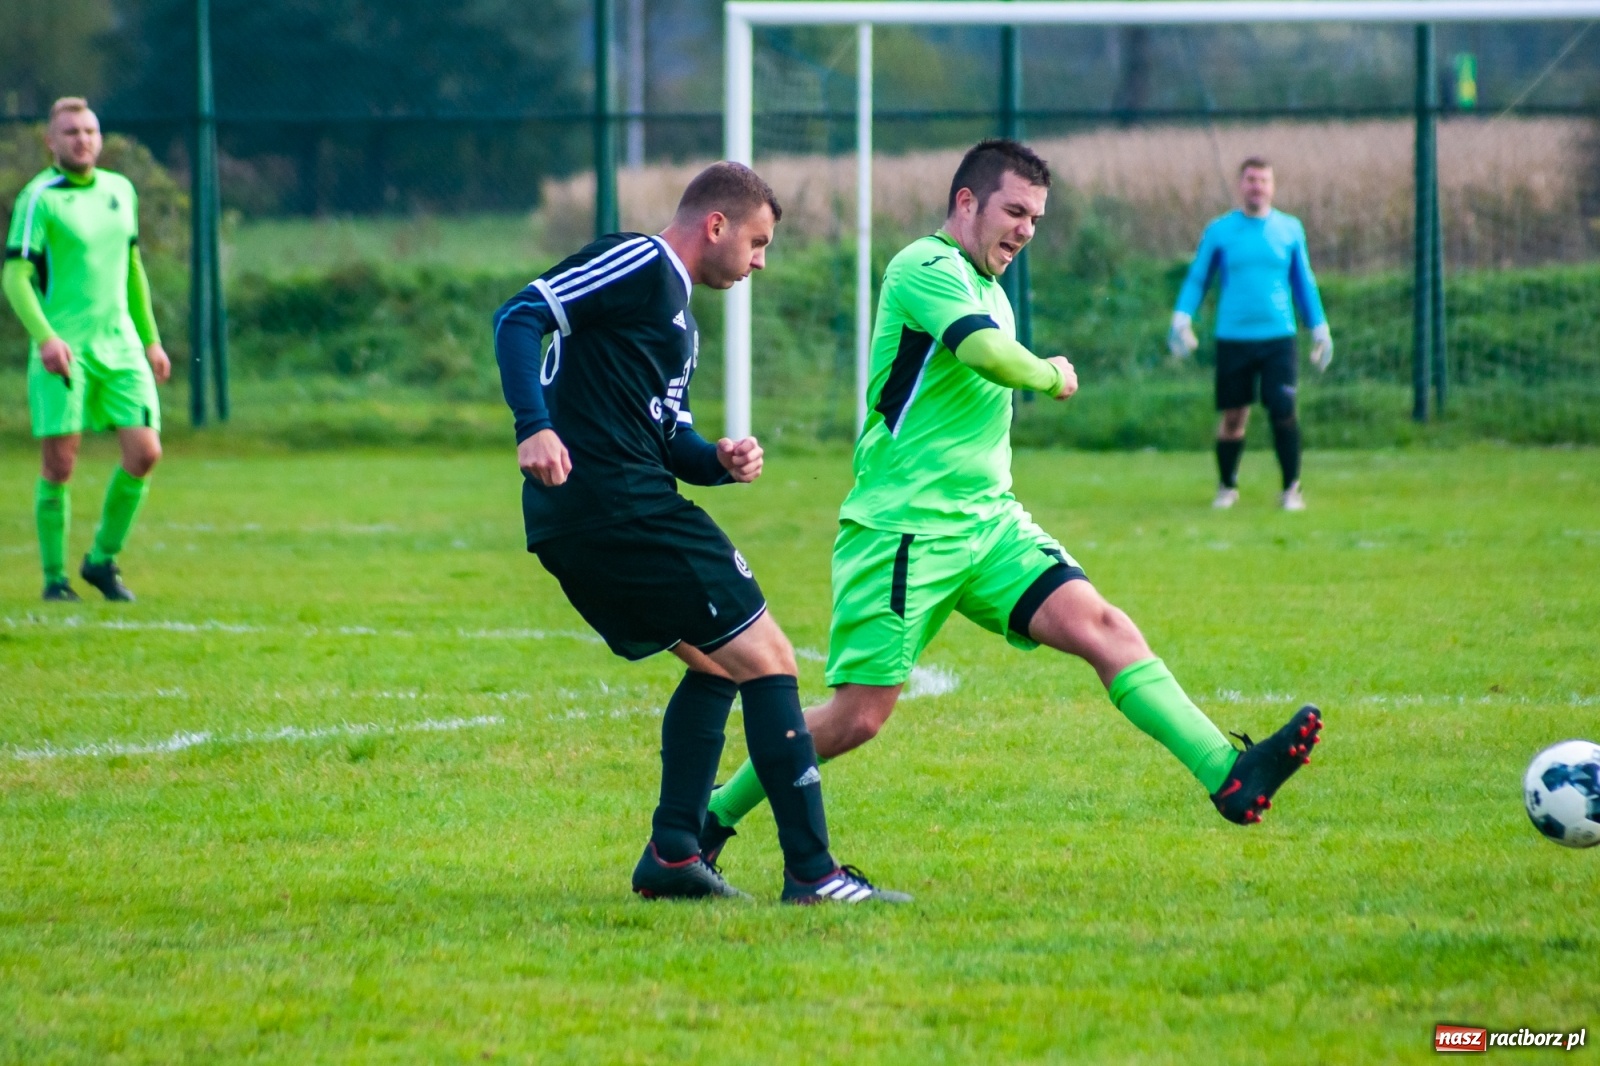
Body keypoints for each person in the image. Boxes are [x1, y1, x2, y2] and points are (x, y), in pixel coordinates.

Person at [699, 140, 1322, 868]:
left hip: (990, 526)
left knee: (1105, 627)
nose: (1026, 229)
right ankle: (710, 819)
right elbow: (984, 354)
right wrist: (1051, 372)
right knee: (858, 718)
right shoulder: (923, 267)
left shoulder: (989, 285)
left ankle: (1228, 773)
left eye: (1036, 217)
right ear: (967, 202)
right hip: (903, 531)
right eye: (1014, 211)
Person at [491, 162, 908, 904]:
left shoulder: (679, 323)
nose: (760, 262)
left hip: (588, 514)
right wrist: (535, 428)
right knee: (771, 660)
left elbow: (668, 438)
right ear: (715, 225)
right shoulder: (644, 261)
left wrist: (715, 459)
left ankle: (675, 854)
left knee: (720, 666)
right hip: (621, 507)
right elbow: (520, 315)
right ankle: (814, 875)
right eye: (757, 242)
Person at [3, 98, 170, 602]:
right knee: (60, 465)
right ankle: (55, 580)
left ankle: (100, 561)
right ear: (51, 142)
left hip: (121, 348)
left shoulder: (121, 190)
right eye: (71, 132)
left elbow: (132, 269)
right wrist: (46, 337)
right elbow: (15, 276)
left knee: (145, 453)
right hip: (66, 351)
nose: (82, 139)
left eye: (90, 130)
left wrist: (151, 340)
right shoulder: (39, 199)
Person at [1168, 156, 1332, 511]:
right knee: (1233, 416)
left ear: (1272, 186)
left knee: (1284, 410)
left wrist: (1319, 327)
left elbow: (1303, 282)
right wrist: (1182, 317)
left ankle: (1291, 489)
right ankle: (1227, 486)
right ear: (1241, 185)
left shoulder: (1289, 229)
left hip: (1278, 337)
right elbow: (1199, 278)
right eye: (1250, 179)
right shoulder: (1221, 231)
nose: (1256, 186)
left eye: (1263, 180)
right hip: (1234, 338)